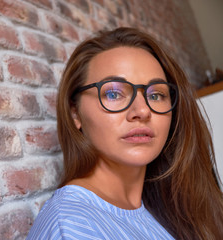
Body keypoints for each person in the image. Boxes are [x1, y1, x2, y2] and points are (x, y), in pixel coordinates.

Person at [27, 27, 223, 239]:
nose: (142, 111)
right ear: (75, 113)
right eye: (113, 93)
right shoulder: (71, 226)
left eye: (156, 95)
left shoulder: (171, 207)